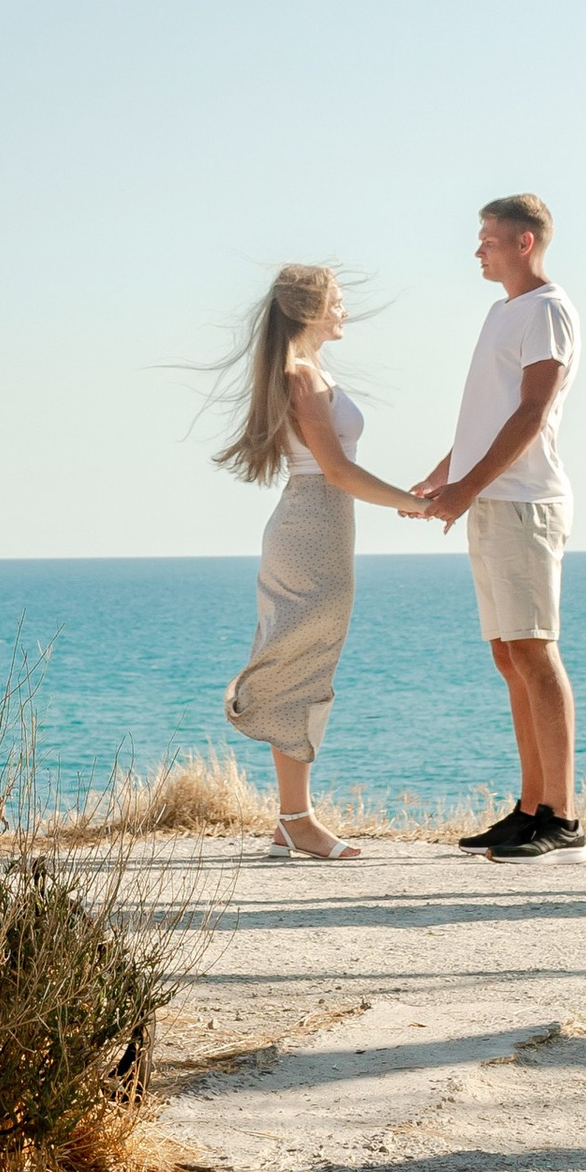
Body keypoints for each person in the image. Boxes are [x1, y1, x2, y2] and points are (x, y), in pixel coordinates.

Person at [220, 262, 421, 857]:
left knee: (308, 661)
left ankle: (292, 818)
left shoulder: (310, 370)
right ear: (310, 309)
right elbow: (335, 469)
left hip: (321, 526)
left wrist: (408, 500)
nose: (344, 310)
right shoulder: (300, 375)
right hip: (312, 527)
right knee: (301, 664)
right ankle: (295, 818)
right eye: (337, 300)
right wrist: (412, 503)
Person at [414, 194, 583, 859]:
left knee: (535, 650)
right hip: (491, 500)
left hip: (525, 502)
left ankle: (562, 822)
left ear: (524, 242)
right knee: (508, 654)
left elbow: (532, 413)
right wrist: (442, 478)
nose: (477, 248)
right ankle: (530, 806)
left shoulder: (548, 310)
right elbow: (486, 417)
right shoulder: (501, 311)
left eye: (488, 237)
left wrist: (467, 489)